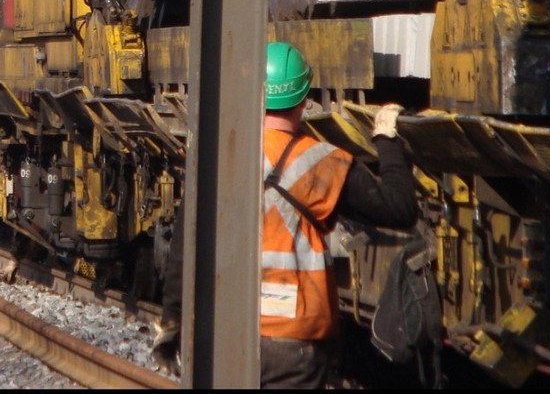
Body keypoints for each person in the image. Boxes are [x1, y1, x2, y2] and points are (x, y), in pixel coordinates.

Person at [152, 41, 417, 387]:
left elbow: (182, 253)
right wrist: (386, 140)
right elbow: (399, 208)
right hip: (296, 343)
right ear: (304, 99)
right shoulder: (322, 162)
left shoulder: (216, 159)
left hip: (226, 333)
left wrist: (173, 324)